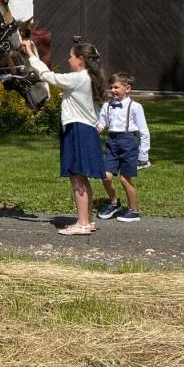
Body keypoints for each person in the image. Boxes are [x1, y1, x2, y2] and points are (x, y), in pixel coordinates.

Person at [20, 38, 107, 236]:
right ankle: (88, 220)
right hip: (87, 130)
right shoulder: (89, 77)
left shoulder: (78, 78)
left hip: (78, 130)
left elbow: (49, 77)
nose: (68, 60)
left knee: (76, 177)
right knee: (82, 178)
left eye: (71, 57)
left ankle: (82, 223)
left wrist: (32, 56)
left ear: (81, 59)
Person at [96, 72, 151, 223]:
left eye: (116, 87)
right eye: (111, 87)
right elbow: (102, 123)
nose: (113, 90)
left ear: (127, 88)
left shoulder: (135, 107)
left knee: (125, 180)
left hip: (129, 143)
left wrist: (143, 154)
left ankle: (133, 211)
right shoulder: (107, 106)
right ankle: (114, 203)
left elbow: (144, 131)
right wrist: (97, 129)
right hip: (112, 142)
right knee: (105, 176)